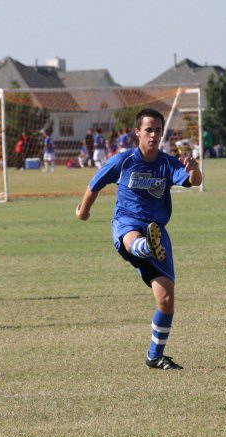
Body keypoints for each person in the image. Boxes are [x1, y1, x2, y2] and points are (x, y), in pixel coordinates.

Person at [75, 108, 203, 370]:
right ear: (137, 133)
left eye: (158, 130)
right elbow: (94, 185)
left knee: (166, 300)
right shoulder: (122, 161)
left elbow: (193, 181)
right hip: (127, 224)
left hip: (158, 230)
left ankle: (155, 356)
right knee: (132, 238)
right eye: (148, 130)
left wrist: (195, 169)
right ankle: (146, 246)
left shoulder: (168, 163)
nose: (154, 135)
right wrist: (83, 211)